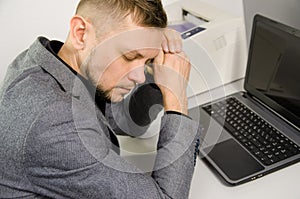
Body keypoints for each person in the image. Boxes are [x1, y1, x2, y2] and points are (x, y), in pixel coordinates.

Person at [0, 0, 201, 198]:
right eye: (130, 57)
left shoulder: (47, 64)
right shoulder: (53, 122)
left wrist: (156, 69)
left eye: (147, 61)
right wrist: (176, 98)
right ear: (81, 33)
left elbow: (123, 122)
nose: (140, 77)